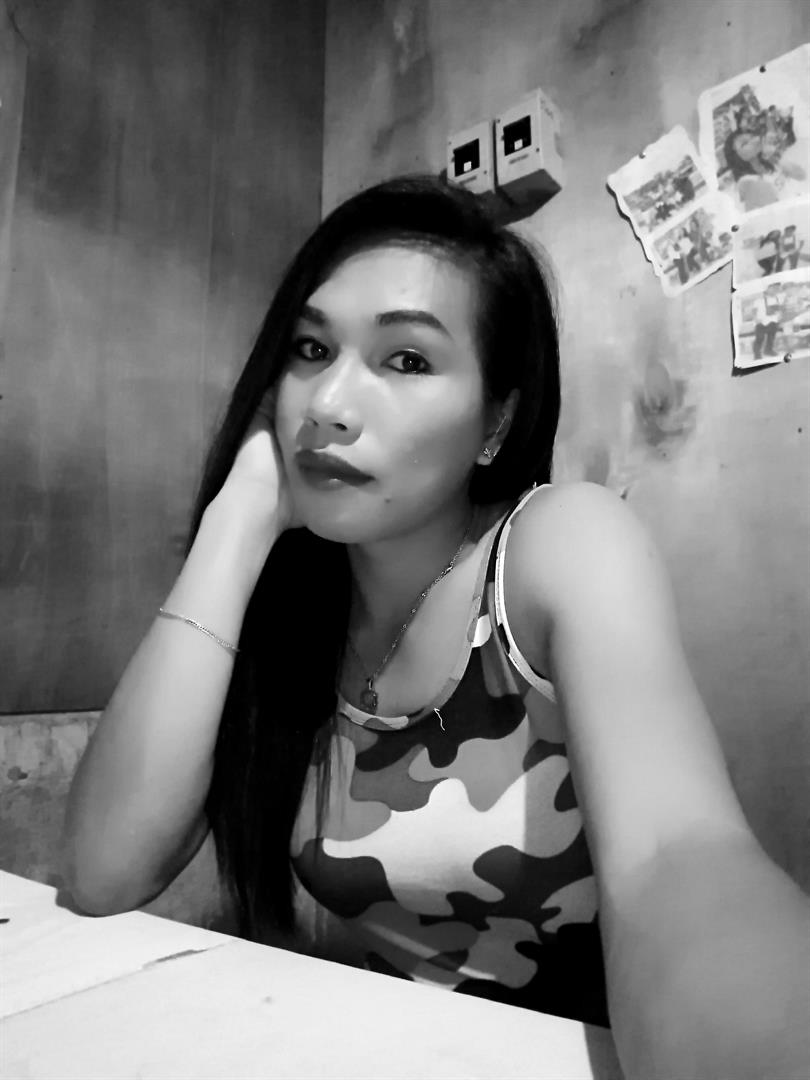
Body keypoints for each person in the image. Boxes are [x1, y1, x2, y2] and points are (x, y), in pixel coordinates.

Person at [61, 175, 810, 1079]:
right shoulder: (289, 611)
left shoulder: (557, 547)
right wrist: (239, 515)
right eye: (310, 349)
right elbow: (103, 875)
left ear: (496, 420)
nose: (328, 403)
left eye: (407, 360)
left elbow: (675, 859)